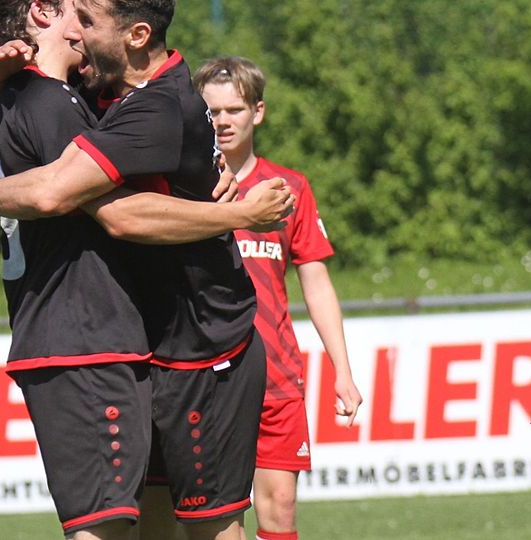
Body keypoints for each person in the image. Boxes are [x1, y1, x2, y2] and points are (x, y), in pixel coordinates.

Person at [0, 2, 288, 539]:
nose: (78, 32)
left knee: (211, 528)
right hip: (144, 343)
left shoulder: (156, 108)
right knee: (146, 524)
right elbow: (34, 92)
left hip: (203, 344)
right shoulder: (97, 87)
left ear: (136, 35)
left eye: (89, 21)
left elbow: (85, 203)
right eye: (73, 16)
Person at [193, 57, 363, 540]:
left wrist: (343, 370)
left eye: (234, 109)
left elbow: (316, 281)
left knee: (281, 508)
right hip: (207, 374)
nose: (223, 121)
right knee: (218, 518)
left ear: (258, 112)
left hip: (276, 373)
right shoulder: (184, 188)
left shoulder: (288, 189)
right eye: (211, 112)